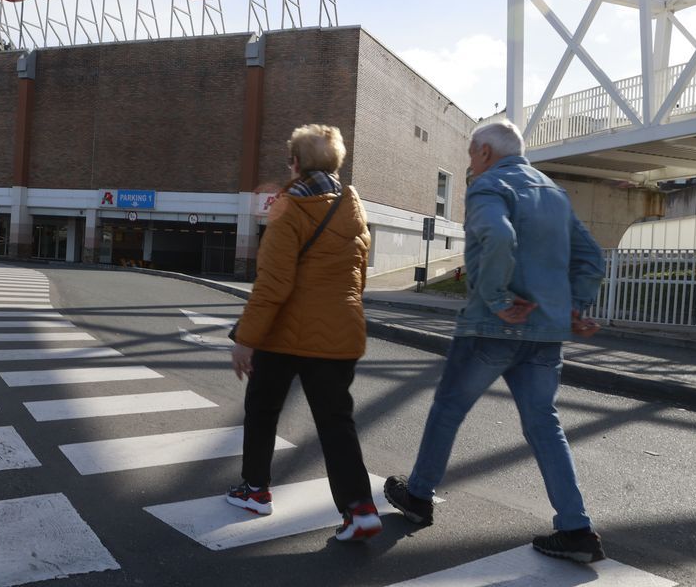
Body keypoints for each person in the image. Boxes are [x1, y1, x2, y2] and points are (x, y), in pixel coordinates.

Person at [383, 120, 607, 564]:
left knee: (448, 409)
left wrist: (499, 298)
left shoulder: (489, 185)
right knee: (545, 424)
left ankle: (419, 497)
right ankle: (576, 529)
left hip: (491, 327)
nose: (469, 162)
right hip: (545, 334)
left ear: (484, 152)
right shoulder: (554, 193)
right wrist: (575, 306)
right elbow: (591, 257)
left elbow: (499, 235)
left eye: (470, 153)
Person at [226, 124, 382, 543]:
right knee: (336, 423)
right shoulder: (353, 208)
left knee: (262, 409)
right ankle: (360, 509)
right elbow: (358, 278)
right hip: (341, 333)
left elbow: (272, 285)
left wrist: (245, 339)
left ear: (294, 164)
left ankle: (255, 490)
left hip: (285, 336)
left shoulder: (290, 210)